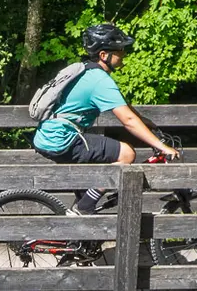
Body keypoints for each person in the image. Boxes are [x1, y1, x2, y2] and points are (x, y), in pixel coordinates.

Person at [31, 23, 181, 213]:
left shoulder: (88, 71)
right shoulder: (100, 81)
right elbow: (128, 120)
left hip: (51, 136)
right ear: (104, 55)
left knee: (94, 180)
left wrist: (146, 123)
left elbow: (126, 108)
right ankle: (84, 207)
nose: (123, 54)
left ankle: (81, 232)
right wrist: (162, 146)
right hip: (62, 139)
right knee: (127, 154)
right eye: (119, 50)